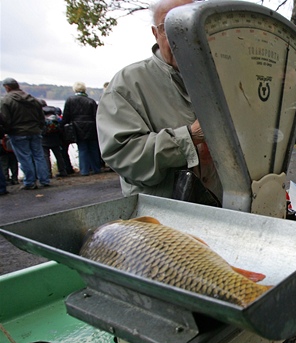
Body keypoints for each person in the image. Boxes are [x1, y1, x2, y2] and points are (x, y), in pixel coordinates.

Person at [97, 0, 222, 202]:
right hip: (162, 218)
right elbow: (124, 156)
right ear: (155, 34)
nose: (183, 36)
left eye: (191, 25)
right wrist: (190, 137)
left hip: (222, 209)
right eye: (170, 27)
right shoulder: (127, 84)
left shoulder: (220, 78)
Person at [0, 78, 51, 190]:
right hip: (35, 131)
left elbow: (5, 119)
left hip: (18, 132)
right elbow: (41, 116)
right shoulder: (32, 99)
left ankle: (29, 181)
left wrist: (7, 131)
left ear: (7, 87)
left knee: (24, 158)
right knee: (39, 156)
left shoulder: (6, 101)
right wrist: (40, 127)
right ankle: (44, 179)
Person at [62, 82, 100, 176]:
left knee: (82, 148)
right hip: (92, 126)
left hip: (77, 126)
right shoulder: (91, 101)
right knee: (93, 148)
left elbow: (66, 115)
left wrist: (64, 125)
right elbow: (96, 115)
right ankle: (96, 168)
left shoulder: (70, 100)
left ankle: (84, 170)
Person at [41, 106, 68, 177]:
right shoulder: (56, 117)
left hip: (44, 139)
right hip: (55, 138)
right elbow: (61, 126)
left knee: (46, 156)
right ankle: (63, 171)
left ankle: (48, 173)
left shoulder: (42, 117)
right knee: (59, 156)